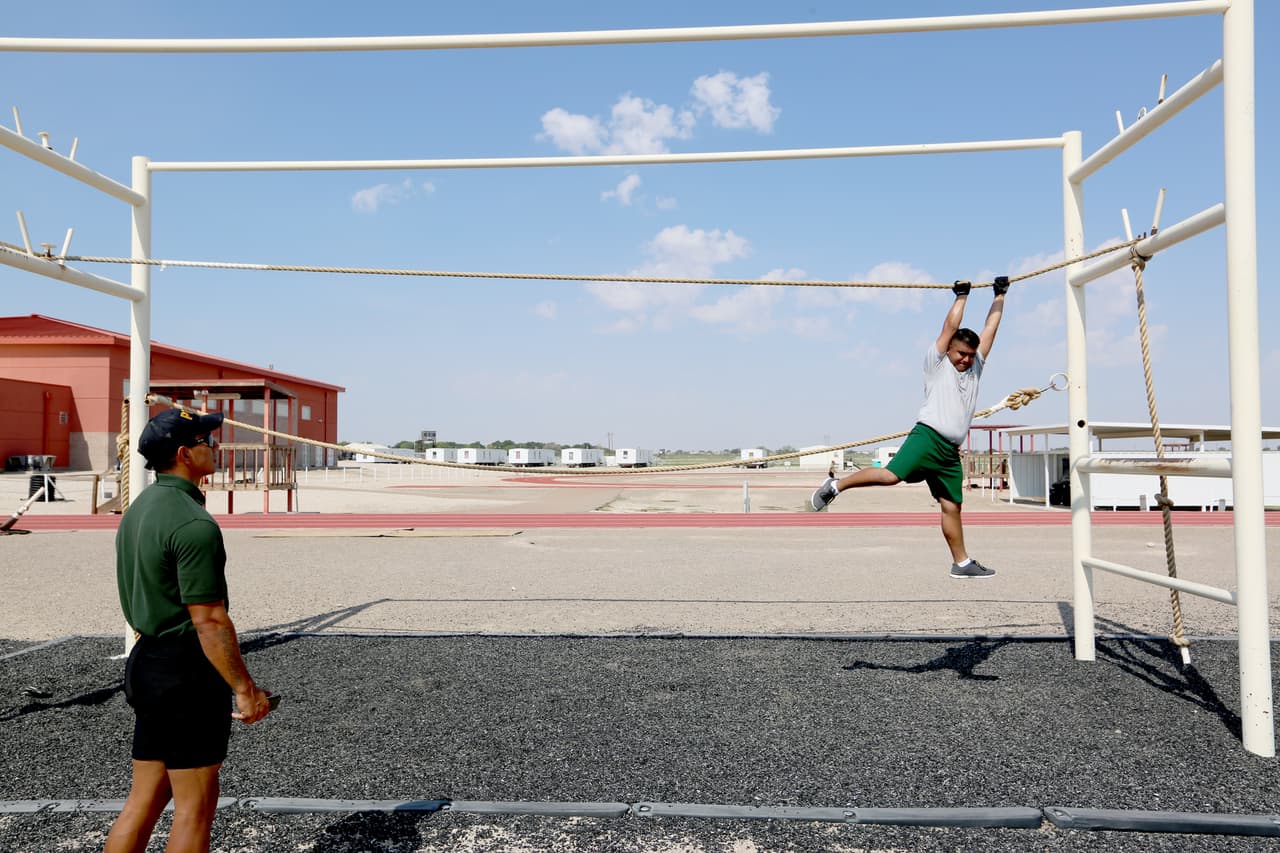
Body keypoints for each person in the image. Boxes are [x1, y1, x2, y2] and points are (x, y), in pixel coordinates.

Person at [106, 408, 273, 853]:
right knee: (194, 806)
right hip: (185, 672)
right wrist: (244, 688)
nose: (213, 448)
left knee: (144, 798)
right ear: (184, 453)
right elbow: (209, 620)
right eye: (206, 442)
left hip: (147, 663)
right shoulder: (194, 524)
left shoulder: (140, 508)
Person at [809, 276, 1009, 579]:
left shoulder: (976, 366)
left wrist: (1000, 294)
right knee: (891, 476)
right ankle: (834, 487)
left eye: (970, 355)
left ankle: (962, 563)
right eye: (961, 354)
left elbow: (991, 329)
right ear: (949, 352)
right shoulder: (936, 364)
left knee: (952, 507)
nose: (966, 360)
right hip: (927, 436)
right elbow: (949, 329)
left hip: (949, 453)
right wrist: (962, 296)